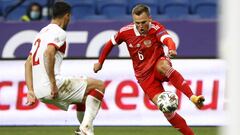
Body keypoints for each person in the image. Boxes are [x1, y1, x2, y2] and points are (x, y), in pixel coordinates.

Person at [93, 4, 205, 135]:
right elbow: (110, 44)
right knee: (166, 109)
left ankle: (193, 97)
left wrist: (171, 49)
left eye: (143, 22)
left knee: (163, 66)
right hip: (144, 77)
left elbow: (168, 39)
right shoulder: (125, 32)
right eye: (137, 23)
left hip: (158, 65)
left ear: (150, 19)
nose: (140, 26)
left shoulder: (156, 28)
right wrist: (100, 62)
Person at [24, 2, 104, 135]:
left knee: (85, 97)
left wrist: (30, 90)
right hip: (52, 86)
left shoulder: (42, 33)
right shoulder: (59, 32)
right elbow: (48, 53)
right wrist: (53, 83)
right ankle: (86, 130)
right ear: (67, 16)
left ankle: (84, 129)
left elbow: (28, 63)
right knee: (99, 86)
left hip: (38, 91)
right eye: (69, 17)